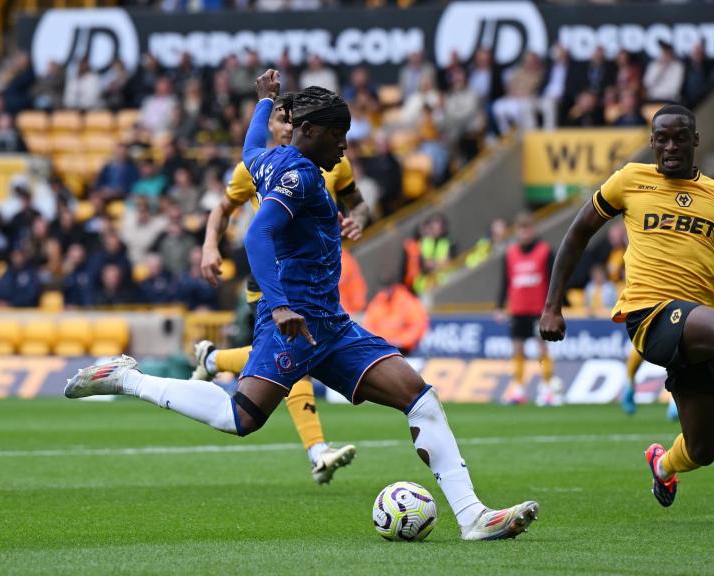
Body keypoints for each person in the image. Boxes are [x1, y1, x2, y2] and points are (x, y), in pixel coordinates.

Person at [65, 73, 538, 540]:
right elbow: (256, 234)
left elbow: (251, 147)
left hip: (330, 324)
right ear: (310, 133)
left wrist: (263, 102)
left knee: (419, 396)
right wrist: (278, 307)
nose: (345, 148)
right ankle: (126, 378)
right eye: (338, 137)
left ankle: (473, 516)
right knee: (241, 418)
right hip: (294, 323)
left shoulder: (269, 161)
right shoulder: (302, 178)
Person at [539, 104, 714, 508]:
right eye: (661, 138)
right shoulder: (630, 180)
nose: (670, 146)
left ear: (695, 140)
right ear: (651, 142)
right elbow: (578, 234)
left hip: (696, 328)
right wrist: (552, 305)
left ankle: (663, 465)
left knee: (702, 451)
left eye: (680, 137)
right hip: (650, 316)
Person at [189, 90, 370, 485]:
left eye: (292, 120)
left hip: (315, 279)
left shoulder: (332, 163)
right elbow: (222, 209)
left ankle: (214, 361)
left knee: (283, 357)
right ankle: (317, 450)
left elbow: (358, 202)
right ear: (273, 126)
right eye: (280, 121)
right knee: (294, 359)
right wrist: (208, 246)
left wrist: (357, 218)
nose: (287, 127)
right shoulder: (257, 166)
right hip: (270, 277)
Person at [496, 213, 561, 406]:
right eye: (521, 229)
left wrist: (555, 306)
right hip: (517, 309)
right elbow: (505, 281)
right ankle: (518, 388)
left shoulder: (545, 251)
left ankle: (547, 387)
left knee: (542, 348)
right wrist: (499, 306)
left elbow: (553, 279)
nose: (525, 233)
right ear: (517, 231)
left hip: (538, 310)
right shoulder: (510, 254)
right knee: (517, 349)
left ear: (534, 229)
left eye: (528, 228)